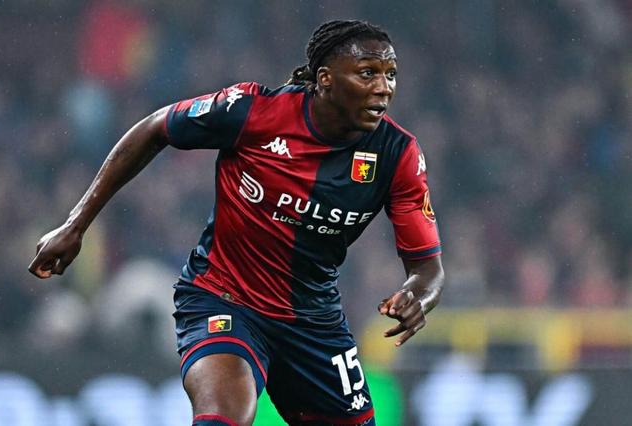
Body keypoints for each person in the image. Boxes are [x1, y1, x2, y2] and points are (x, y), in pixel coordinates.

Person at [29, 20, 444, 426]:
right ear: (325, 79)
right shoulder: (252, 110)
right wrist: (76, 224)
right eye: (368, 73)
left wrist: (417, 297)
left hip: (314, 323)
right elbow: (155, 128)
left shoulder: (398, 155)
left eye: (391, 75)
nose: (384, 87)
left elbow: (428, 270)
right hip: (224, 298)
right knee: (226, 414)